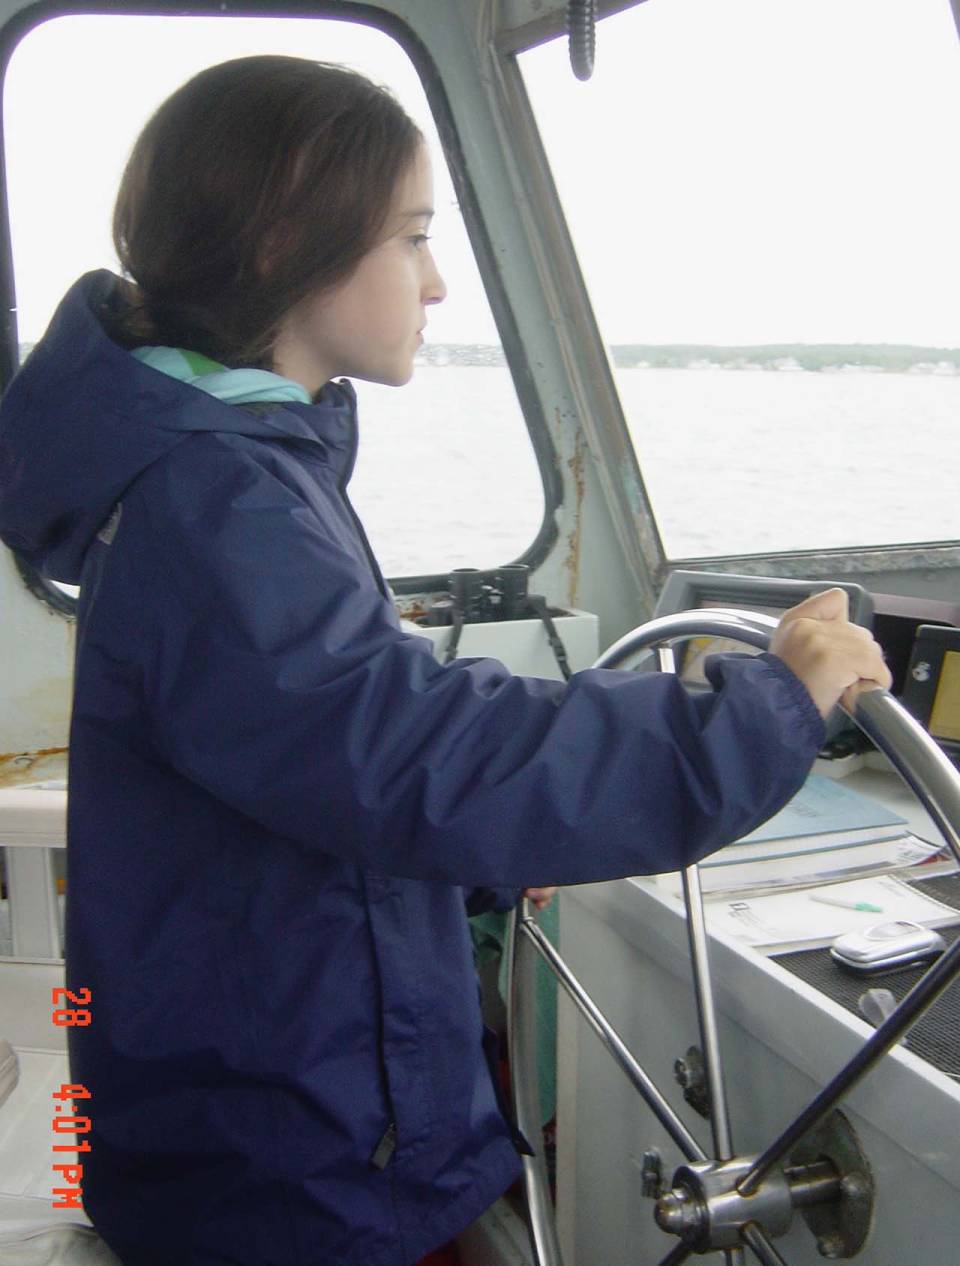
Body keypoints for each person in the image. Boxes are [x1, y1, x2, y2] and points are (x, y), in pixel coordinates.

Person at [0, 55, 890, 1266]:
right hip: (295, 1176)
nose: (437, 282)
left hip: (276, 1116)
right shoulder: (221, 499)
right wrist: (769, 707)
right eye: (412, 238)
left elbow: (318, 764)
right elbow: (412, 749)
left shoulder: (235, 470)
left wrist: (469, 868)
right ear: (283, 244)